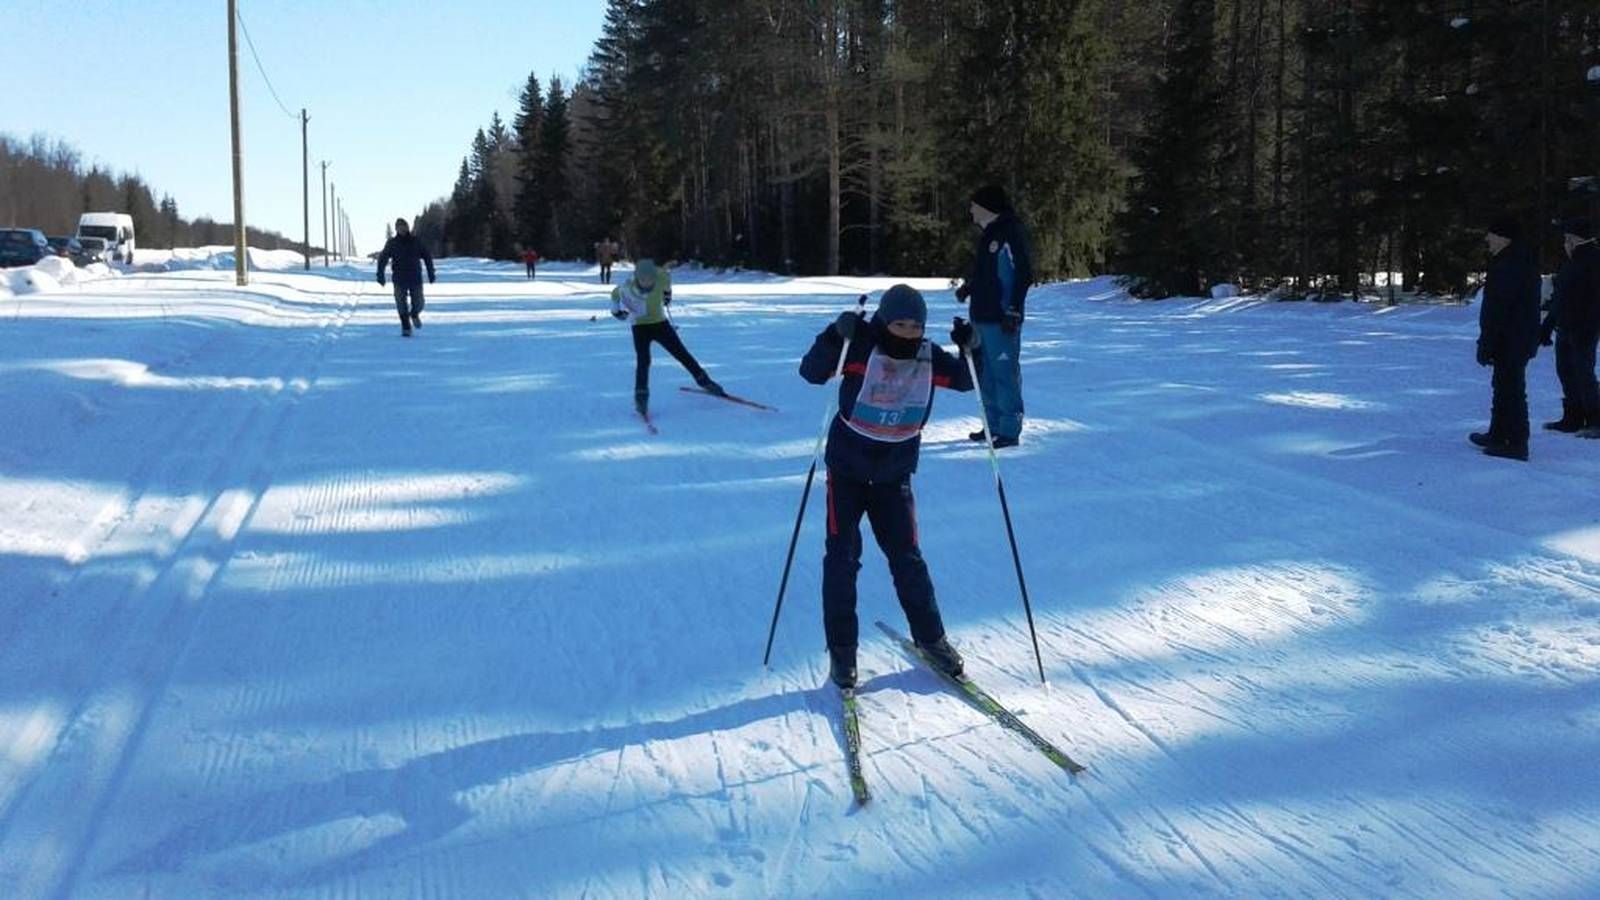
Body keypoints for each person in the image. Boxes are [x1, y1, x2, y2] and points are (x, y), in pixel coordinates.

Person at [798, 284, 976, 690]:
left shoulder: (929, 357)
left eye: (916, 325)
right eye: (900, 323)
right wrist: (832, 335)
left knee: (908, 559)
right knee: (842, 560)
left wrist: (972, 347)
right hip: (847, 474)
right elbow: (811, 373)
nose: (908, 332)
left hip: (894, 477)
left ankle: (932, 640)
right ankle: (843, 653)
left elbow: (968, 381)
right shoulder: (860, 345)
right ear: (883, 320)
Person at [954, 184, 1033, 448]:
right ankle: (992, 425)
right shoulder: (988, 234)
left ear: (987, 206)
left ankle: (1009, 429)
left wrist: (1013, 309)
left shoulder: (1010, 231)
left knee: (1003, 372)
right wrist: (970, 287)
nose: (971, 210)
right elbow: (987, 273)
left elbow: (1022, 273)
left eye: (974, 205)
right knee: (984, 372)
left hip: (1001, 318)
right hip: (981, 315)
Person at [1469, 216, 1542, 461]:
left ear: (1504, 237)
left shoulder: (1510, 264)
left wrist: (1486, 342)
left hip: (1512, 338)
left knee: (1511, 388)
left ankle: (1517, 443)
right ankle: (1499, 434)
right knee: (1503, 385)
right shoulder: (1515, 259)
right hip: (1516, 337)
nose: (1487, 239)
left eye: (1492, 234)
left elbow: (1498, 309)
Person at [610, 258, 724, 415]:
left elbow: (667, 281)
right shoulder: (627, 287)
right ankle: (641, 397)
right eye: (643, 280)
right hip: (640, 327)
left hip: (660, 324)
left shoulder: (661, 277)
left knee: (681, 353)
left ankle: (704, 380)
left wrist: (668, 294)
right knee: (644, 361)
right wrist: (615, 310)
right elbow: (614, 294)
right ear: (637, 278)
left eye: (650, 280)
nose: (647, 283)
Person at [1538, 216, 1600, 437]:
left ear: (1574, 239)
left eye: (1566, 238)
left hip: (1584, 328)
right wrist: (1547, 325)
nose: (1564, 243)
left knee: (1583, 372)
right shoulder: (1571, 262)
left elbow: (1595, 300)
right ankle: (1573, 416)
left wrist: (1589, 325)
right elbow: (1560, 298)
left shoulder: (1592, 261)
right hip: (1565, 327)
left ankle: (1595, 419)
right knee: (1565, 370)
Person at [376, 217, 436, 337]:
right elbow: (382, 259)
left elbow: (427, 256)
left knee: (419, 303)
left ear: (408, 227)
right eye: (399, 227)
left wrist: (431, 272)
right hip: (399, 278)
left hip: (415, 277)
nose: (402, 229)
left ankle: (414, 314)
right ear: (396, 229)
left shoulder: (416, 241)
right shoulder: (392, 243)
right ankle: (406, 325)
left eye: (404, 226)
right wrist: (380, 275)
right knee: (400, 303)